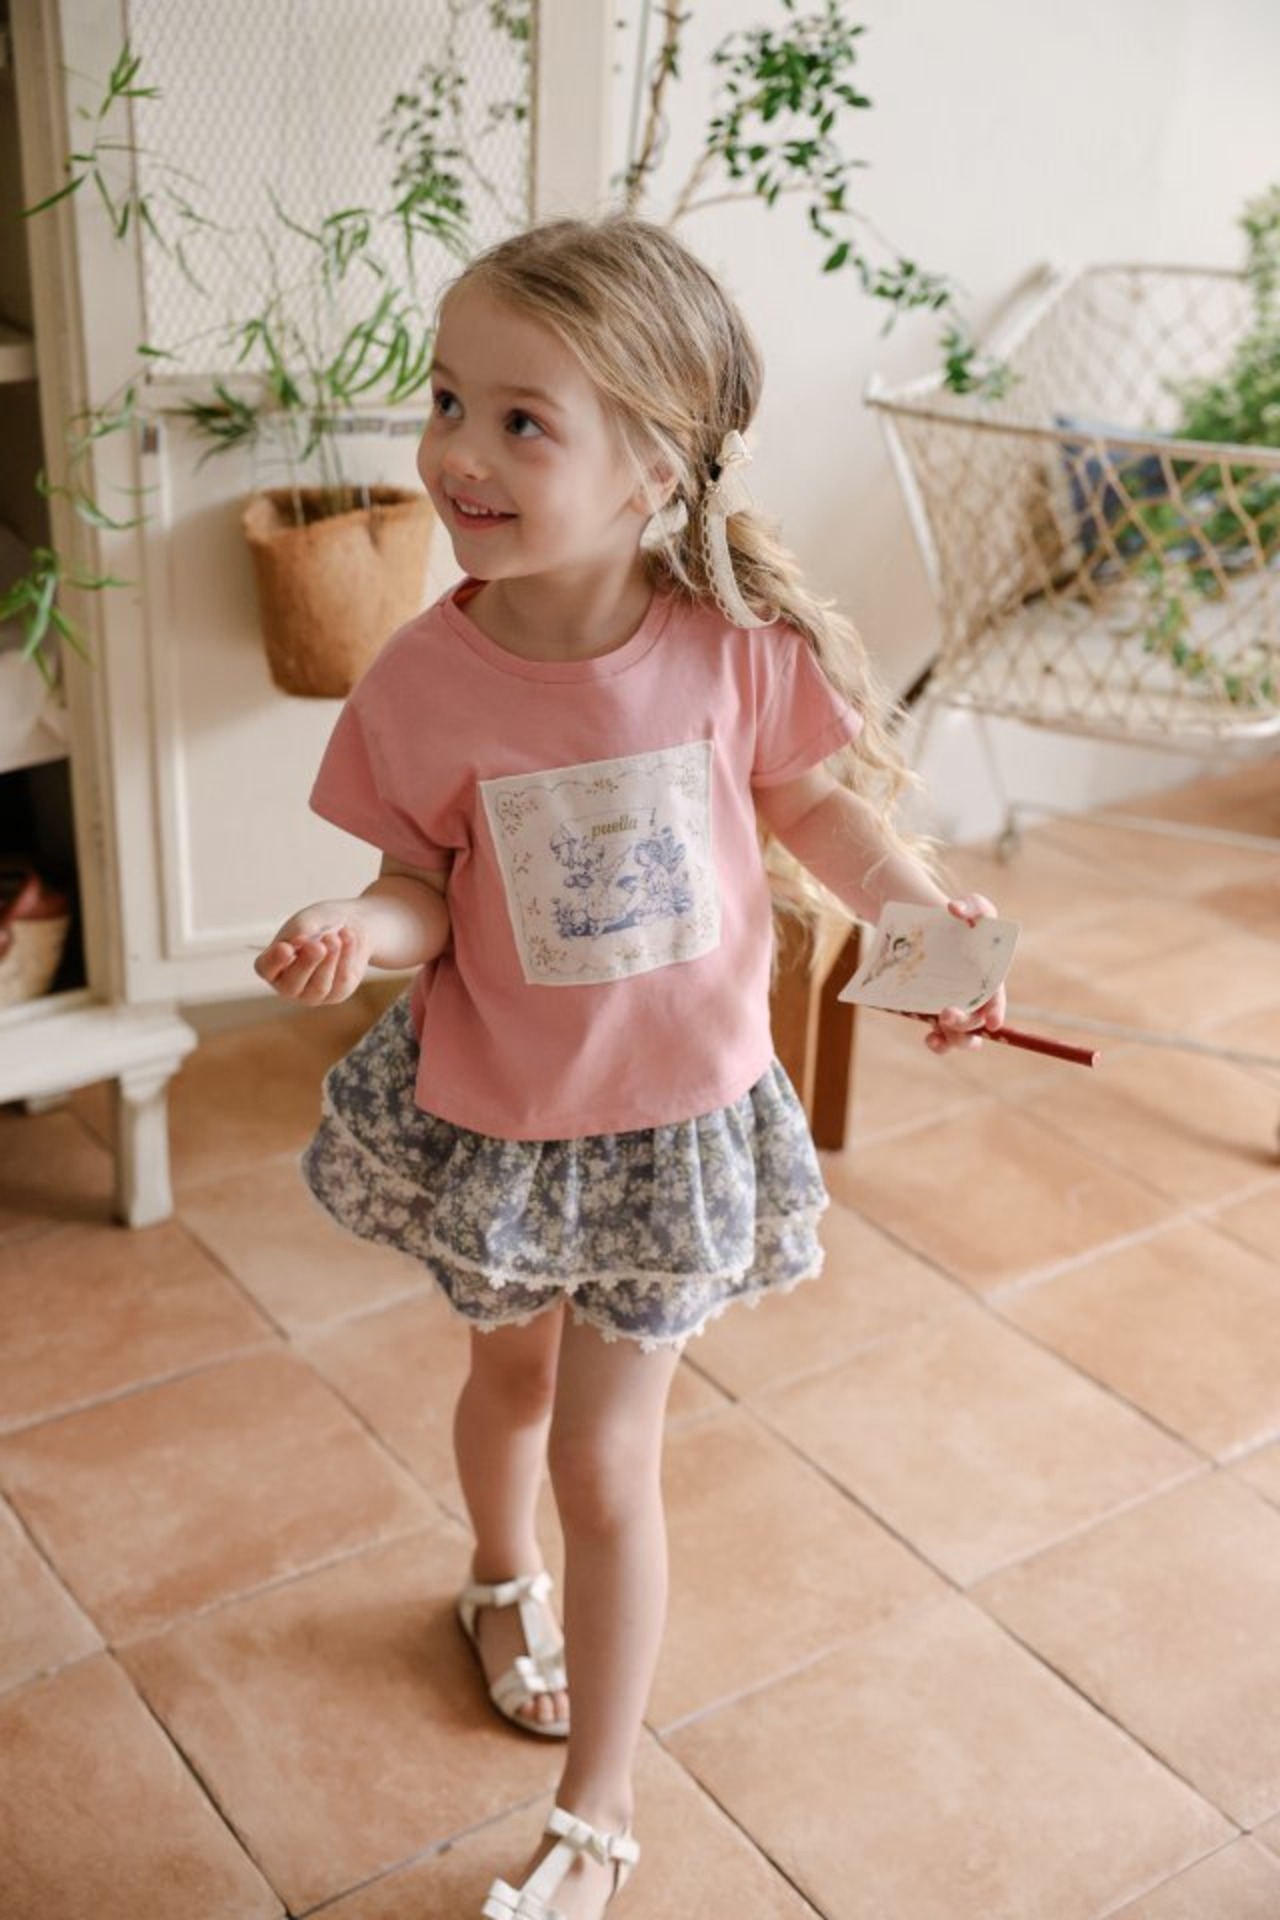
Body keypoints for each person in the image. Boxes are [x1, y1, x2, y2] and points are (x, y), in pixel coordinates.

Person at [254, 213, 1005, 1920]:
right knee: (508, 1390)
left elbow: (817, 810)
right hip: (508, 1126)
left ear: (657, 467)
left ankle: (599, 1809)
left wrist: (917, 914)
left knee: (606, 1458)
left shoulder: (732, 648)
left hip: (676, 1131)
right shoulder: (424, 683)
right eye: (449, 400)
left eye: (522, 420)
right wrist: (355, 927)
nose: (459, 451)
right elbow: (419, 888)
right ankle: (493, 1574)